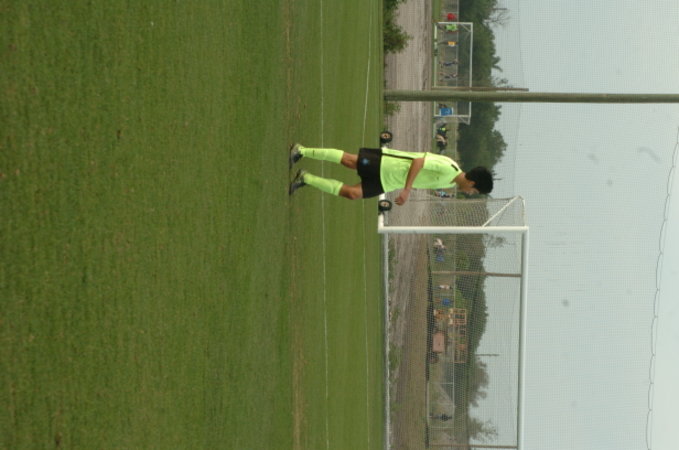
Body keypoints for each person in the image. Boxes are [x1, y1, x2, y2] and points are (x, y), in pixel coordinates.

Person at [288, 144, 493, 205]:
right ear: (472, 182)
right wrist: (407, 190)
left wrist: (404, 188)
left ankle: (305, 178)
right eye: (474, 191)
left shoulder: (450, 182)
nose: (470, 193)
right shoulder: (450, 167)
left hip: (387, 182)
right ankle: (302, 151)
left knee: (352, 194)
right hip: (385, 164)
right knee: (349, 161)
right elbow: (418, 162)